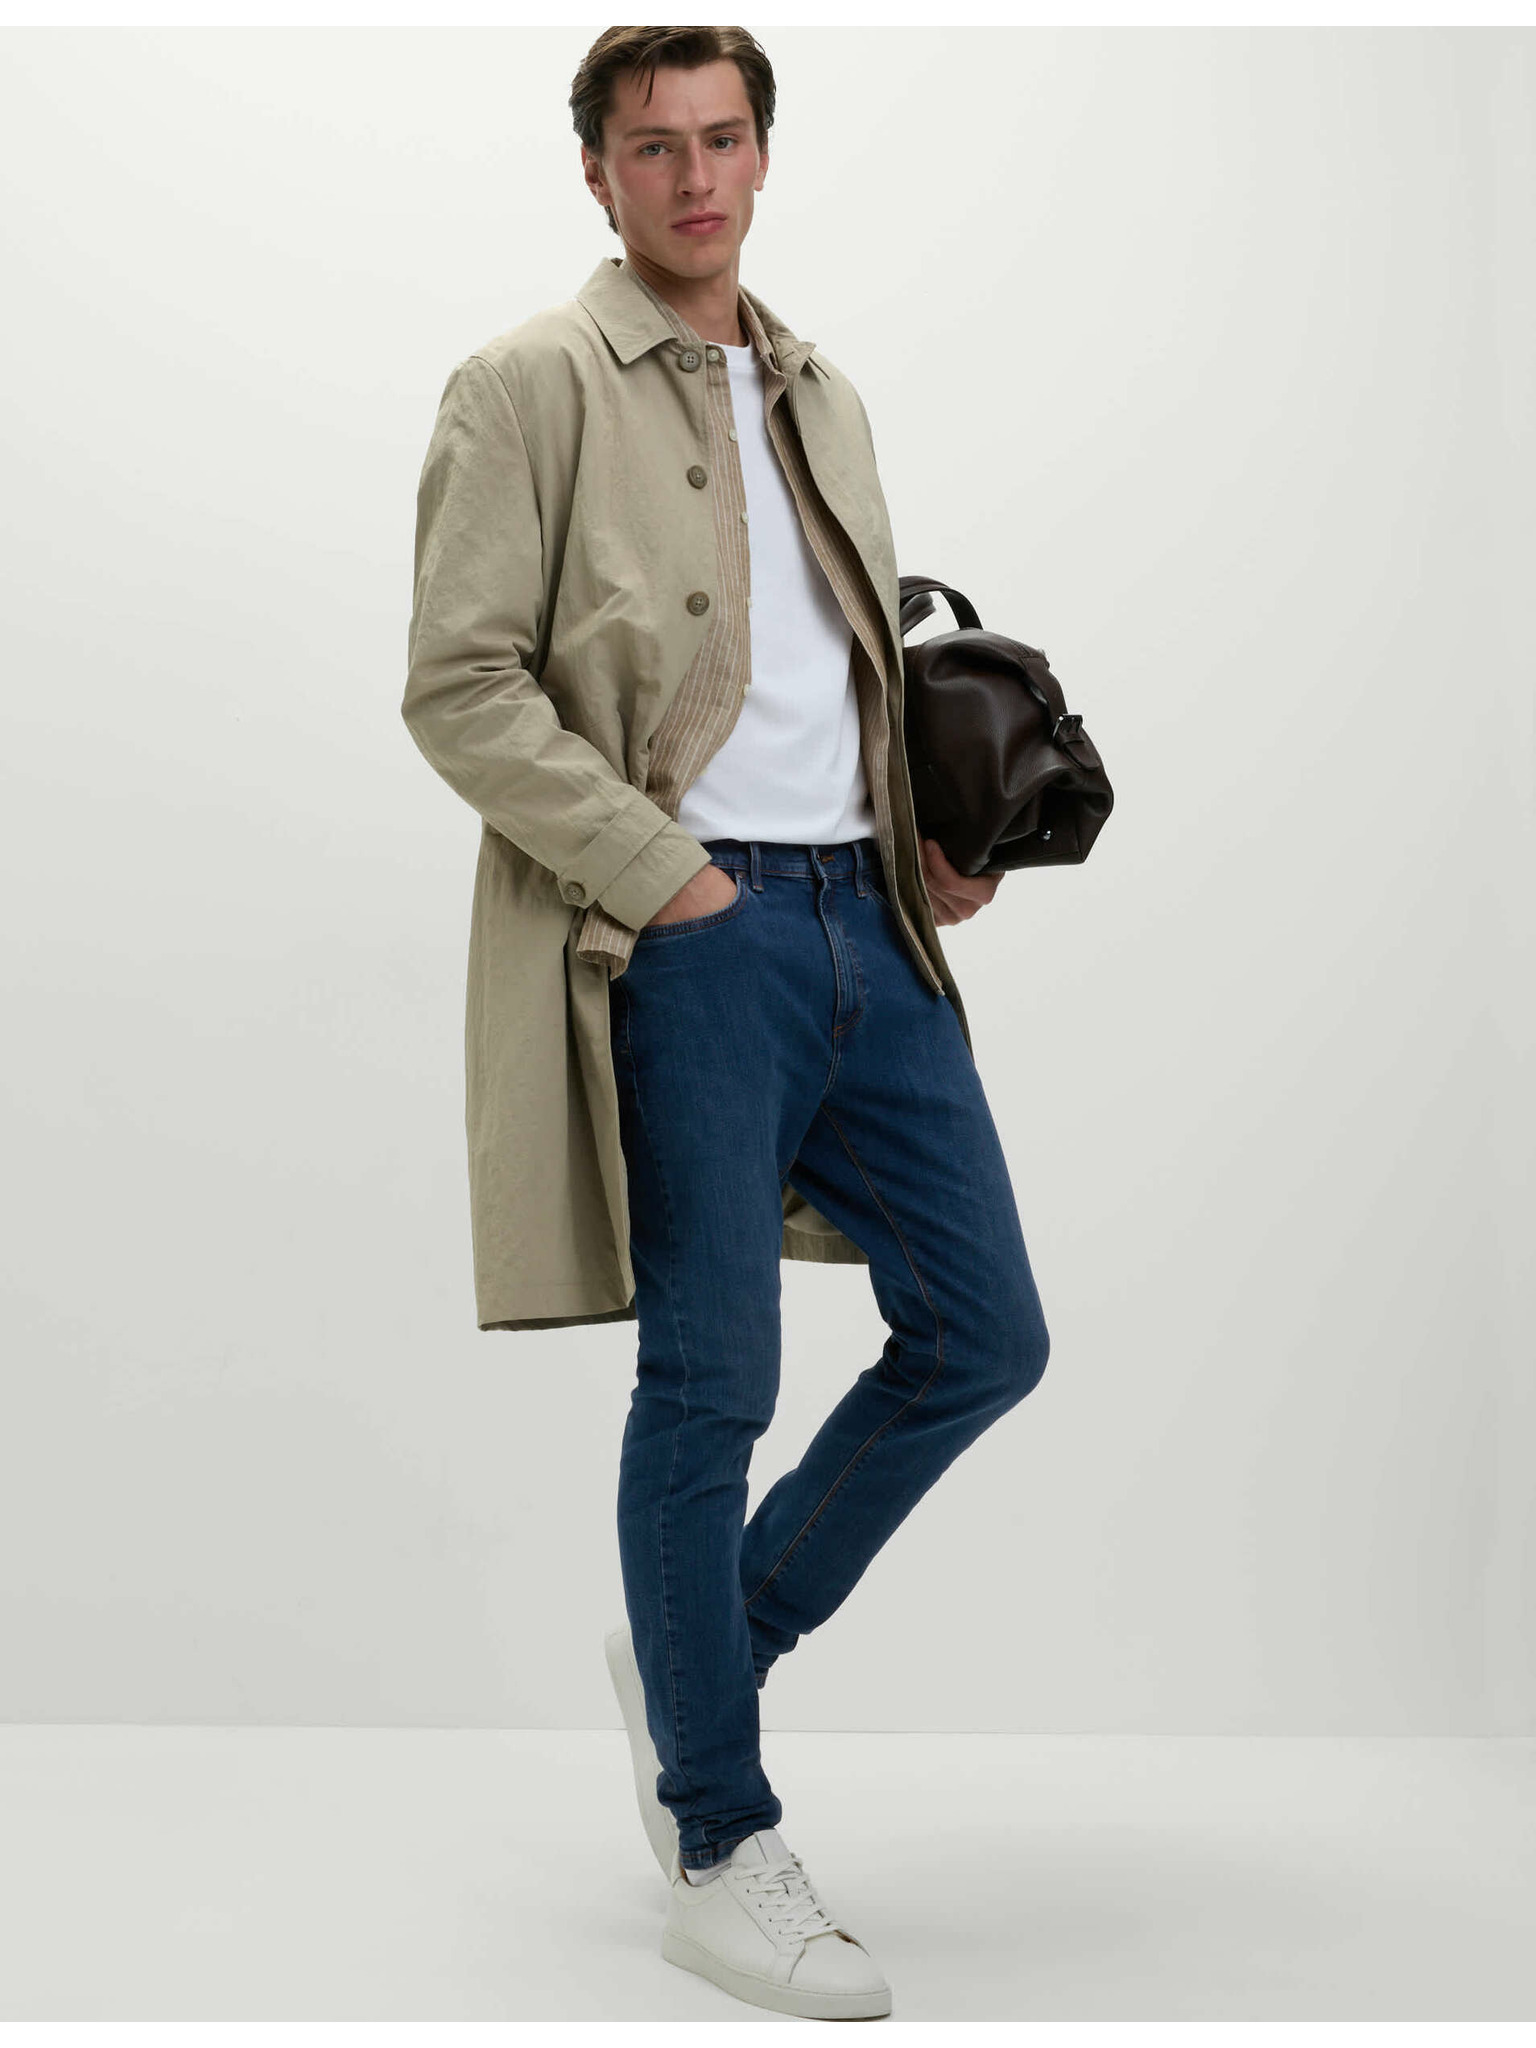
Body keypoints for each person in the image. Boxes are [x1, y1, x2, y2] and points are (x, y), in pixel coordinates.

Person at [403, 25, 1050, 2022]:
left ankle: (700, 1650)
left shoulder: (823, 387)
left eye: (725, 138)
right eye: (653, 147)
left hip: (871, 926)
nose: (696, 178)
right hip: (689, 934)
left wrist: (923, 831)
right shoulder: (524, 386)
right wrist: (664, 874)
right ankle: (716, 1834)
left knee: (986, 1333)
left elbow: (839, 665)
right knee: (712, 1385)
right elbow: (460, 685)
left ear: (765, 155)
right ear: (597, 174)